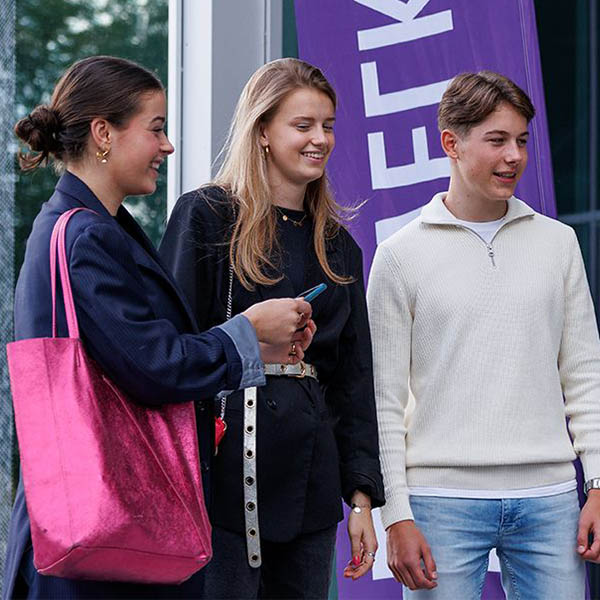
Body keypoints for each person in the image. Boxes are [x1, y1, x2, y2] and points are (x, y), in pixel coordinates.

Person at [3, 55, 316, 600]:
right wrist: (246, 329)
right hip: (101, 536)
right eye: (155, 128)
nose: (167, 146)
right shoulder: (88, 238)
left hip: (89, 522)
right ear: (103, 133)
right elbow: (154, 367)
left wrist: (259, 350)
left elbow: (134, 355)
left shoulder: (84, 229)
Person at [367, 69, 600, 599]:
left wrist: (599, 484)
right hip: (438, 500)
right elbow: (382, 400)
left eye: (521, 140)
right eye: (497, 140)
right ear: (451, 143)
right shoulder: (400, 255)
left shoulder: (558, 243)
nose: (514, 156)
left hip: (552, 498)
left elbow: (586, 374)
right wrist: (395, 514)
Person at [159, 57, 385, 599]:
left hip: (310, 489)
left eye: (327, 125)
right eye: (303, 125)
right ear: (262, 131)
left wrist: (360, 500)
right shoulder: (207, 216)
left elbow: (353, 386)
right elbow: (168, 351)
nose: (320, 139)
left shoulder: (339, 247)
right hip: (218, 480)